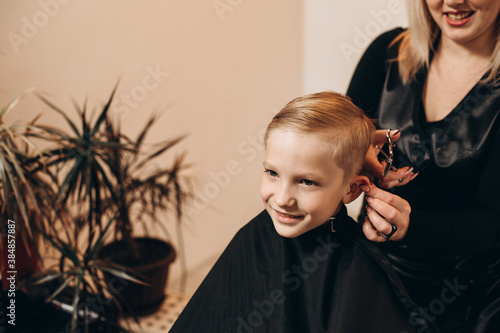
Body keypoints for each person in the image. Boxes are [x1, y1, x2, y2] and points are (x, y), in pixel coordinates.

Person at [170, 92, 439, 333]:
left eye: (306, 181)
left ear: (353, 189)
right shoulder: (255, 236)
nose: (282, 199)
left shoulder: (354, 268)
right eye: (272, 173)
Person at [346, 1, 500, 332]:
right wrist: (347, 157)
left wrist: (410, 225)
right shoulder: (386, 54)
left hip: (472, 296)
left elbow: (492, 223)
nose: (454, 1)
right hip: (370, 271)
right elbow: (333, 160)